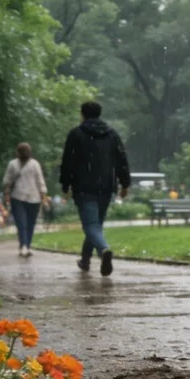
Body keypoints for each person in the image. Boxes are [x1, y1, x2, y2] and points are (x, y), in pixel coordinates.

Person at [59, 101, 130, 277]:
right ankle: (85, 260)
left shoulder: (76, 134)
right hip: (106, 186)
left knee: (91, 225)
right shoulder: (112, 135)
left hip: (83, 186)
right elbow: (122, 160)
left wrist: (65, 184)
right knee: (95, 225)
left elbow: (68, 161)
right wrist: (125, 183)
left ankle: (104, 250)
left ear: (82, 114)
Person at [3, 142, 48, 257]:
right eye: (22, 151)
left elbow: (40, 181)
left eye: (26, 151)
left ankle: (27, 246)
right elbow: (7, 181)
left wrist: (44, 197)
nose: (25, 153)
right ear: (18, 152)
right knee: (21, 222)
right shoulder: (13, 164)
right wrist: (7, 195)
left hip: (34, 198)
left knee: (30, 223)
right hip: (17, 197)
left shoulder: (34, 164)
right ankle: (23, 245)